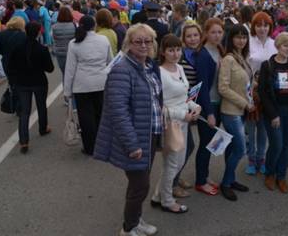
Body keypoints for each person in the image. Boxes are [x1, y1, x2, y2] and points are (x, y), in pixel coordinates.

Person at [94, 23, 162, 236]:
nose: (143, 45)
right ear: (128, 44)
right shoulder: (122, 69)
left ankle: (135, 219)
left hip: (149, 133)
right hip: (134, 138)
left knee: (141, 183)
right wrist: (132, 144)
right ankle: (128, 228)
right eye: (138, 41)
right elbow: (118, 111)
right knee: (139, 186)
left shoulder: (149, 66)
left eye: (148, 41)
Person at [150, 35, 201, 213]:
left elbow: (183, 96)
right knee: (172, 164)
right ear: (163, 52)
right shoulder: (159, 73)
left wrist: (194, 106)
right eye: (171, 50)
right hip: (171, 124)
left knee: (176, 164)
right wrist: (182, 114)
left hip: (183, 123)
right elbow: (158, 106)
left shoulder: (179, 68)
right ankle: (167, 200)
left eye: (178, 49)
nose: (175, 53)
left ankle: (159, 196)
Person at [258, 32, 288, 193]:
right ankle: (270, 173)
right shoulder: (267, 65)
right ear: (278, 45)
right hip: (274, 112)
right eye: (285, 45)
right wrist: (273, 115)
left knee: (287, 145)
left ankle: (281, 176)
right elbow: (263, 92)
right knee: (276, 144)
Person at [64, 15, 112, 156]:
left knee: (85, 117)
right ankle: (102, 143)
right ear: (94, 25)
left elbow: (70, 69)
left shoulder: (74, 43)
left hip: (82, 84)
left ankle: (89, 147)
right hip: (101, 82)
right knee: (100, 114)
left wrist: (67, 91)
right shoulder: (103, 40)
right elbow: (110, 61)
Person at [218, 24, 253, 201]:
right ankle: (225, 183)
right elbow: (223, 88)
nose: (241, 40)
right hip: (231, 111)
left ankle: (230, 180)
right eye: (238, 37)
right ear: (231, 38)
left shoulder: (242, 57)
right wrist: (245, 103)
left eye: (244, 37)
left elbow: (245, 84)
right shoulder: (228, 59)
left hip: (242, 110)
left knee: (232, 147)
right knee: (240, 149)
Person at [7, 21, 54, 153]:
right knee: (41, 106)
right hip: (39, 81)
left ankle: (23, 141)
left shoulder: (17, 48)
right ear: (38, 32)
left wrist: (14, 79)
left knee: (24, 112)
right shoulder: (42, 49)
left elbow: (11, 66)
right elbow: (50, 68)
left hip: (22, 82)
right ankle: (43, 128)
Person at [171, 21, 203, 198]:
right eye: (189, 36)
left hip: (191, 106)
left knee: (187, 146)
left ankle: (177, 176)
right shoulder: (180, 56)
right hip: (179, 107)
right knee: (182, 147)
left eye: (195, 35)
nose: (192, 39)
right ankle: (173, 183)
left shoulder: (199, 54)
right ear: (183, 38)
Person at [194, 18, 224, 196]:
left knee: (212, 143)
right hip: (208, 106)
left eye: (220, 32)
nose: (217, 35)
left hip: (219, 103)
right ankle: (200, 181)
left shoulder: (219, 49)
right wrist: (210, 113)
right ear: (205, 33)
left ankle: (204, 176)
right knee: (205, 144)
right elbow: (203, 87)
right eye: (213, 32)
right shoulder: (203, 54)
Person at [245, 11, 277, 175]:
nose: (262, 28)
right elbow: (243, 66)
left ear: (270, 27)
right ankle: (251, 159)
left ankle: (261, 158)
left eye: (265, 25)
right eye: (259, 25)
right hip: (250, 91)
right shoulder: (248, 43)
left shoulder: (274, 44)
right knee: (251, 128)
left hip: (268, 91)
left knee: (263, 128)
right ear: (254, 27)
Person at [0, 16, 26, 84]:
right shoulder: (24, 35)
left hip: (6, 61)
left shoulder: (2, 34)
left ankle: (12, 89)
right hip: (21, 61)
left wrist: (5, 53)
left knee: (11, 80)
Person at [51, 6, 76, 81]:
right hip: (71, 52)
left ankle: (66, 89)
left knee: (64, 73)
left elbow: (53, 39)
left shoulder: (54, 27)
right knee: (71, 73)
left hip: (60, 52)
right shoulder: (73, 26)